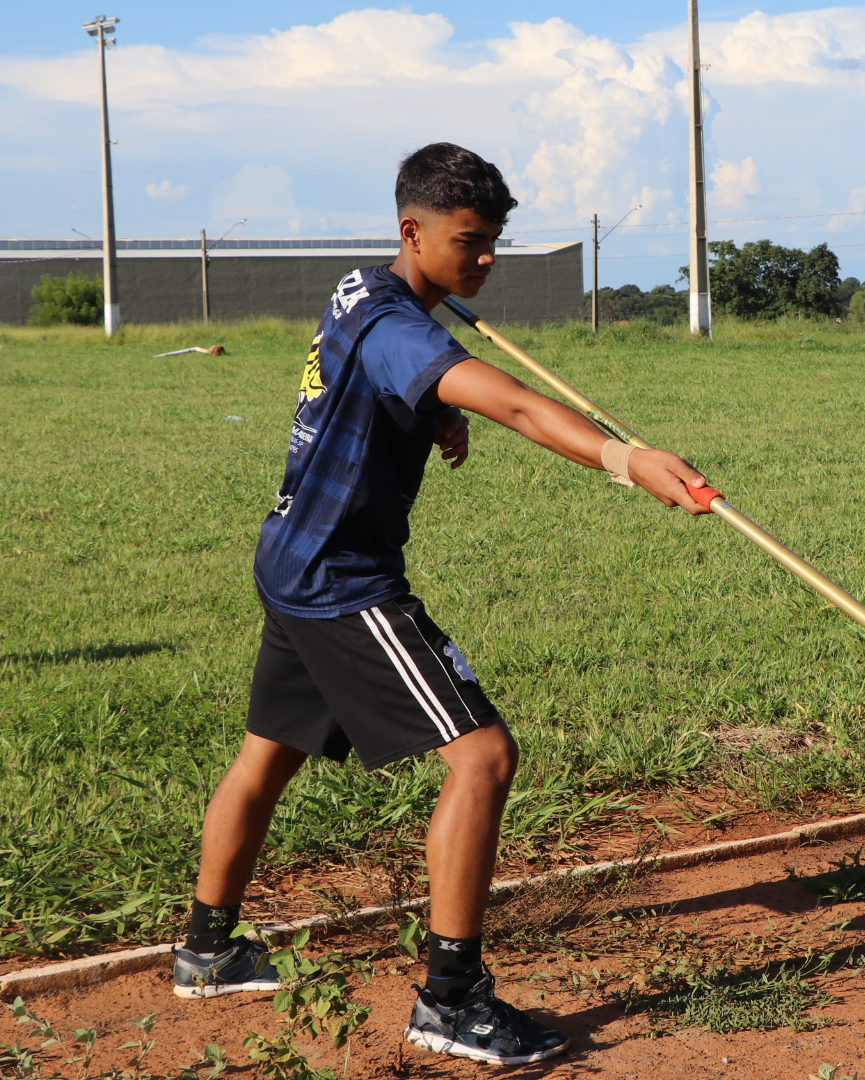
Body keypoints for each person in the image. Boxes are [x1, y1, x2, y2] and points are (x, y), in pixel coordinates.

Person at [170, 143, 712, 1066]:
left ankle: (207, 949)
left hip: (291, 555)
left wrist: (428, 409)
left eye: (495, 241)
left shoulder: (359, 292)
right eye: (471, 242)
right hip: (342, 579)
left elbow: (375, 375)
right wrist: (626, 459)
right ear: (411, 231)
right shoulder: (398, 333)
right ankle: (451, 1001)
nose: (488, 259)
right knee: (483, 756)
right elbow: (521, 406)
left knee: (272, 750)